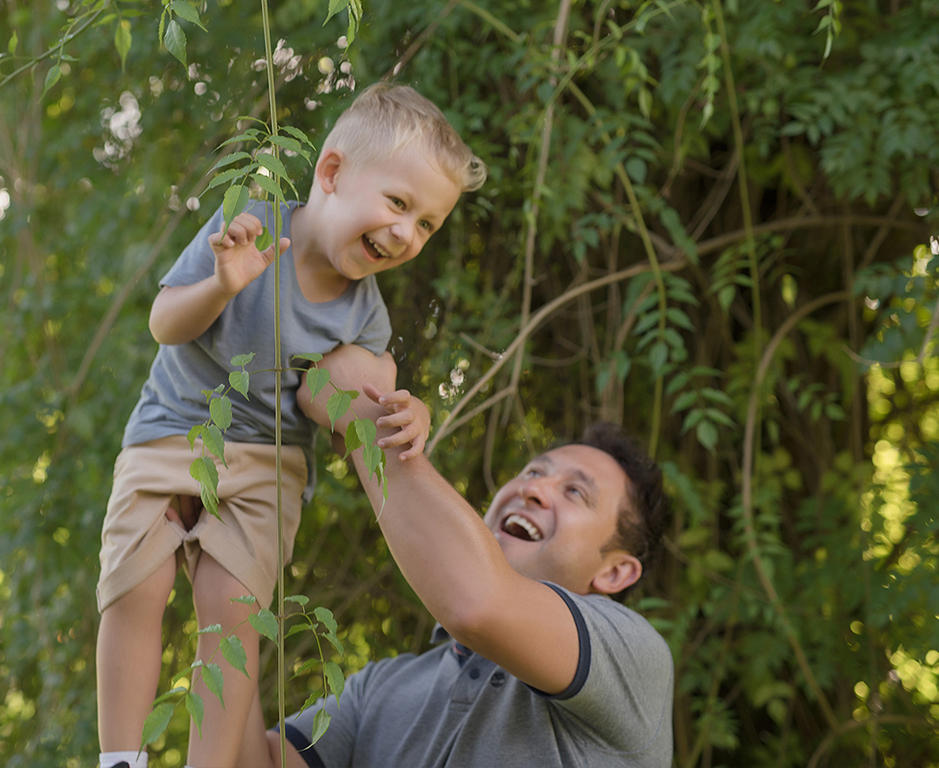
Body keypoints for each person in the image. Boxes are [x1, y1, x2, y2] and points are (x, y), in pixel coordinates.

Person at [95, 85, 487, 768]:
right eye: (398, 204)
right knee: (136, 588)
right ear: (331, 174)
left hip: (268, 466)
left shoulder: (368, 319)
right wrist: (222, 283)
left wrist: (410, 412)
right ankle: (119, 759)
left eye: (426, 225)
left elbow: (363, 414)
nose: (405, 233)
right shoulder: (248, 225)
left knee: (234, 621)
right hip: (174, 431)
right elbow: (163, 324)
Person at [258, 345, 674, 768]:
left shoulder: (635, 659)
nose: (533, 488)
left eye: (575, 492)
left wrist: (365, 419)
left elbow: (479, 605)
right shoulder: (379, 688)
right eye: (533, 471)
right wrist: (227, 567)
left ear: (616, 571)